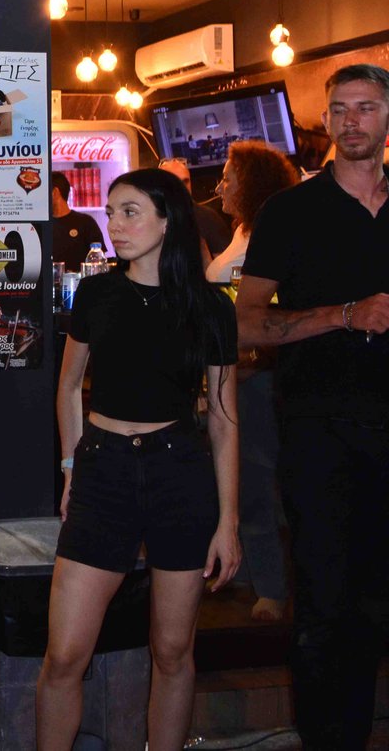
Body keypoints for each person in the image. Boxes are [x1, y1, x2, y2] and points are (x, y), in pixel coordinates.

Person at [36, 168, 240, 751]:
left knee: (173, 651)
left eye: (130, 212)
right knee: (65, 654)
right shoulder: (98, 294)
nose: (116, 225)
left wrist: (228, 521)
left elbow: (224, 419)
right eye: (112, 213)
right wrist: (71, 467)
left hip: (179, 472)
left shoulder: (209, 306)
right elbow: (68, 386)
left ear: (167, 220)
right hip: (104, 471)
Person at [236, 63, 389, 749]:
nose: (352, 121)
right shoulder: (291, 211)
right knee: (327, 607)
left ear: (387, 119)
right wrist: (342, 314)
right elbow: (244, 321)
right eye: (340, 109)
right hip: (320, 432)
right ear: (326, 121)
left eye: (366, 107)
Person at [205, 141, 298, 624]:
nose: (221, 185)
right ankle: (240, 572)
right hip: (230, 374)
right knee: (235, 480)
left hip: (255, 376)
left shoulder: (269, 234)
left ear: (252, 183)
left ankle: (271, 588)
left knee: (256, 480)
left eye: (229, 177)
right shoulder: (240, 231)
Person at [158, 156, 232, 258]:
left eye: (185, 181)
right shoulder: (150, 220)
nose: (182, 188)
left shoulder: (208, 219)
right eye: (174, 183)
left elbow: (226, 265)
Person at [50, 171, 104, 271]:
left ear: (55, 193)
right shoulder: (41, 226)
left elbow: (99, 261)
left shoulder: (86, 222)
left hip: (82, 280)